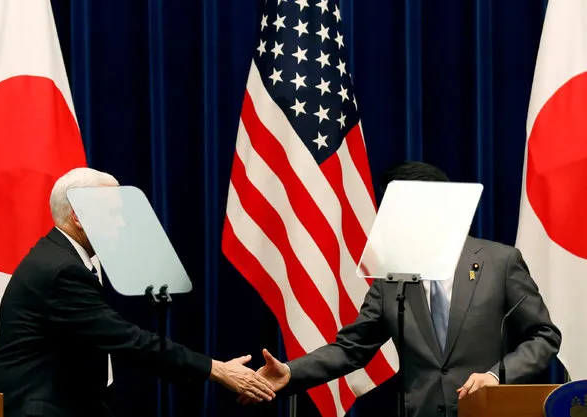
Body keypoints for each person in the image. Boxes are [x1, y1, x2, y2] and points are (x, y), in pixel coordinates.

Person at [240, 161, 562, 417]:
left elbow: (544, 336)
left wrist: (495, 376)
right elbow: (352, 348)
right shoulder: (391, 278)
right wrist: (290, 373)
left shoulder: (500, 262)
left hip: (489, 411)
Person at [0, 167, 275, 417]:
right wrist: (216, 370)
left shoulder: (62, 257)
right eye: (114, 213)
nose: (123, 223)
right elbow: (126, 339)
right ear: (78, 217)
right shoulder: (61, 269)